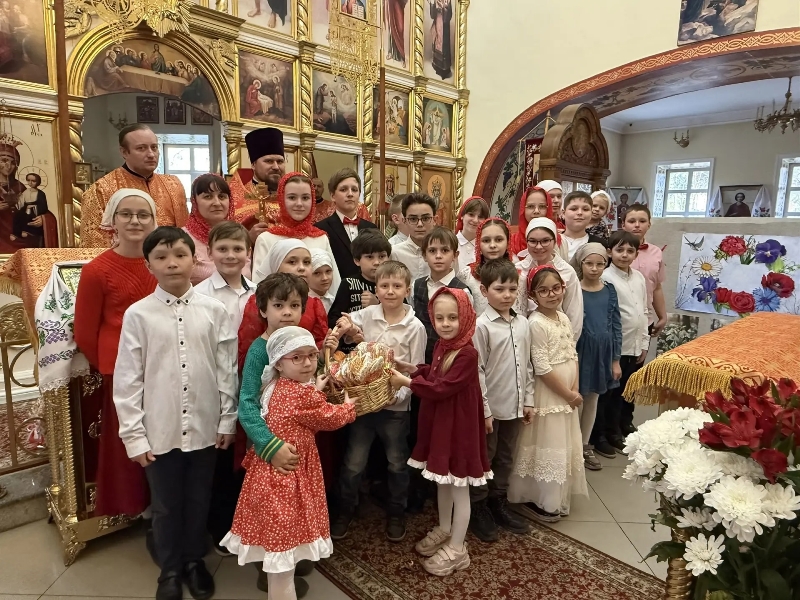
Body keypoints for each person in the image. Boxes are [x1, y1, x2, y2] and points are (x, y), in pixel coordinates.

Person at [114, 227, 237, 600]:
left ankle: (194, 561)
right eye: (162, 257)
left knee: (199, 498)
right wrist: (134, 435)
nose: (172, 263)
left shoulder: (214, 311)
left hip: (204, 424)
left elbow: (226, 369)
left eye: (180, 255)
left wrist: (226, 420)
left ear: (194, 260)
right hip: (160, 428)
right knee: (166, 504)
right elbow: (128, 379)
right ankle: (169, 569)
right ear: (148, 265)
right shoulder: (139, 315)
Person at [222, 327, 356, 600]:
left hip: (267, 476)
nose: (307, 363)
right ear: (278, 364)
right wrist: (348, 407)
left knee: (277, 546)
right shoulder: (302, 395)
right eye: (297, 357)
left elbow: (299, 413)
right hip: (288, 479)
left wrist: (315, 389)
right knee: (284, 552)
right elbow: (328, 418)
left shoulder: (276, 387)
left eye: (311, 355)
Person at [390, 288, 490, 576]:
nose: (445, 324)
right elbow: (434, 374)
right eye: (439, 318)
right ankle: (446, 529)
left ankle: (458, 549)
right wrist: (411, 369)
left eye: (452, 318)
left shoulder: (467, 353)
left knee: (459, 488)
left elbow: (441, 388)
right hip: (443, 425)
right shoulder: (443, 346)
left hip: (459, 430)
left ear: (466, 316)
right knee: (442, 481)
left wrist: (406, 382)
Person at [73, 189, 157, 519]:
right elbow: (85, 332)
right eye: (126, 214)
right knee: (128, 442)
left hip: (162, 364)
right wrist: (113, 366)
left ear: (153, 221)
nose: (135, 221)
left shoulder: (161, 262)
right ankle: (138, 507)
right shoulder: (97, 270)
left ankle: (163, 503)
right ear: (113, 220)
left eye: (143, 215)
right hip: (121, 369)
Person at [331, 261, 426, 543]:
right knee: (353, 463)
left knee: (396, 463)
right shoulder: (368, 315)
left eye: (397, 286)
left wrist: (397, 396)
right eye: (384, 285)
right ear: (376, 289)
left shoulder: (415, 326)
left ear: (407, 290)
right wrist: (346, 326)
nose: (390, 291)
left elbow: (416, 371)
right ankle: (345, 510)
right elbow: (346, 320)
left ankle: (396, 512)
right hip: (363, 404)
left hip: (396, 409)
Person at [235, 273, 316, 596]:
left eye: (294, 305)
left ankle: (293, 554)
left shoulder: (302, 340)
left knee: (295, 505)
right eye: (279, 305)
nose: (287, 312)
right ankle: (268, 568)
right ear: (263, 309)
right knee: (272, 510)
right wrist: (268, 445)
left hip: (300, 444)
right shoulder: (260, 350)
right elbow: (247, 403)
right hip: (271, 446)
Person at [508, 266, 588, 523]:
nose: (551, 294)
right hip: (549, 395)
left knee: (562, 443)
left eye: (556, 288)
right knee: (547, 443)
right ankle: (539, 497)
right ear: (533, 295)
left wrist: (575, 389)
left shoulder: (563, 317)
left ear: (563, 288)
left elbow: (572, 354)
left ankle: (556, 495)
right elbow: (541, 367)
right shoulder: (536, 323)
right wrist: (568, 394)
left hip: (567, 394)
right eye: (543, 290)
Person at [469, 258, 534, 543]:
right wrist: (485, 411)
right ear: (484, 291)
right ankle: (478, 506)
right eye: (499, 289)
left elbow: (527, 365)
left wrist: (528, 400)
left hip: (515, 406)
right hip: (492, 408)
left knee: (506, 456)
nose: (507, 295)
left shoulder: (523, 324)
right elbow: (478, 371)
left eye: (512, 289)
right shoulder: (481, 326)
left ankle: (498, 501)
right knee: (486, 456)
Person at [79, 124, 187, 248]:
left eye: (154, 147)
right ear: (124, 152)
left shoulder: (173, 184)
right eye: (141, 148)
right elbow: (94, 244)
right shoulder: (101, 189)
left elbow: (184, 232)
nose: (151, 154)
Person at [592, 231, 649, 460]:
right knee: (607, 395)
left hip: (634, 345)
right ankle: (600, 436)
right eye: (619, 250)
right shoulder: (606, 278)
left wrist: (644, 342)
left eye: (630, 251)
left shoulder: (639, 278)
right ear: (609, 252)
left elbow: (643, 311)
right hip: (616, 346)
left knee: (625, 393)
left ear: (636, 254)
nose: (624, 255)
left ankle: (617, 431)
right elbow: (609, 317)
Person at [570, 243, 621, 472]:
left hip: (602, 352)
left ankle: (584, 445)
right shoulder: (574, 290)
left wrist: (615, 359)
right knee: (577, 398)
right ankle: (572, 446)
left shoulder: (609, 290)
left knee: (592, 399)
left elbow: (616, 324)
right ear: (580, 264)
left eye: (600, 264)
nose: (594, 268)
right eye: (589, 263)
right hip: (580, 350)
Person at [252, 172, 339, 295]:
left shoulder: (320, 238)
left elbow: (334, 285)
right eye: (292, 197)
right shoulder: (266, 239)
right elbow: (259, 287)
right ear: (281, 199)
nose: (299, 204)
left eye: (305, 198)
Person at [242, 239, 329, 361]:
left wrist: (325, 351)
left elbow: (318, 348)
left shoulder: (314, 304)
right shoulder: (257, 302)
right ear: (276, 266)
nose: (301, 268)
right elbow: (248, 349)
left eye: (307, 262)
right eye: (292, 262)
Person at [515, 218, 583, 339]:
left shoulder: (566, 271)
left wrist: (570, 342)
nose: (539, 246)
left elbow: (574, 313)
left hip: (556, 338)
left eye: (545, 241)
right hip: (522, 337)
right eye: (533, 241)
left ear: (555, 241)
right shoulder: (518, 270)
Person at [413, 227, 470, 364]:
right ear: (424, 255)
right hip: (420, 357)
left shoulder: (463, 291)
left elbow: (465, 331)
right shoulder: (416, 285)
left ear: (455, 255)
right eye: (432, 251)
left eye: (445, 250)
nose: (438, 256)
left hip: (450, 360)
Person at [327, 229, 390, 351]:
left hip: (383, 349)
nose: (377, 262)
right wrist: (349, 328)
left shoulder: (393, 285)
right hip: (350, 351)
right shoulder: (348, 284)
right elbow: (333, 318)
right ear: (356, 260)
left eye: (382, 256)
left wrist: (378, 306)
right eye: (369, 257)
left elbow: (402, 314)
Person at [315, 168, 378, 280]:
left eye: (354, 189)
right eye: (343, 189)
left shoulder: (371, 228)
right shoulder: (321, 228)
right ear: (333, 196)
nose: (350, 194)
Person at [183, 173, 244, 284]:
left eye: (222, 196)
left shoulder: (240, 235)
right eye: (208, 197)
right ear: (194, 201)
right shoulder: (182, 239)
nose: (217, 203)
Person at [457, 218, 523, 317]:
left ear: (508, 242)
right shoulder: (466, 276)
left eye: (499, 240)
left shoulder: (520, 277)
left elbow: (521, 312)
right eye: (486, 240)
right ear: (478, 243)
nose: (492, 245)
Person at [229, 127, 286, 242]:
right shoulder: (233, 199)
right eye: (269, 161)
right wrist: (248, 239)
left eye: (280, 161)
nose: (276, 167)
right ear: (253, 165)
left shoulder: (292, 197)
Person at [509, 186, 568, 261]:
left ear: (548, 209)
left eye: (542, 206)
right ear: (523, 209)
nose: (536, 211)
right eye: (530, 206)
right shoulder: (512, 241)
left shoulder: (560, 241)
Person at [391, 193, 437, 282]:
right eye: (413, 219)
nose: (420, 224)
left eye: (426, 218)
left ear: (435, 220)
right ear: (404, 221)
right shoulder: (395, 253)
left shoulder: (443, 253)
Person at [561, 191, 606, 261]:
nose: (580, 213)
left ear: (591, 214)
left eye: (585, 209)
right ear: (563, 214)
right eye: (574, 209)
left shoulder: (600, 244)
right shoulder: (552, 241)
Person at [454, 196, 489, 273]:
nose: (475, 220)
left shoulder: (487, 247)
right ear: (462, 216)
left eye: (480, 217)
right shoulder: (450, 243)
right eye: (471, 215)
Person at [10, 172, 47, 243]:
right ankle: (16, 233)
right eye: (28, 180)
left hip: (35, 210)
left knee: (32, 219)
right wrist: (18, 199)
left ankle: (29, 232)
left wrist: (34, 208)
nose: (30, 183)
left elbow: (43, 206)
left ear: (38, 182)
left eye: (33, 181)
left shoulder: (40, 193)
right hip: (25, 208)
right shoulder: (26, 192)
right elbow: (20, 203)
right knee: (18, 215)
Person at [428, 0, 453, 80]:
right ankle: (437, 65)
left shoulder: (447, 1)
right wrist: (432, 4)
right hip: (437, 23)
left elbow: (449, 16)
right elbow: (432, 15)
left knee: (443, 46)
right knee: (437, 42)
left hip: (444, 28)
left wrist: (445, 8)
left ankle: (444, 69)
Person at [308, 248, 335, 313]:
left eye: (328, 271)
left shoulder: (334, 302)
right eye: (317, 273)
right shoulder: (302, 303)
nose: (325, 278)